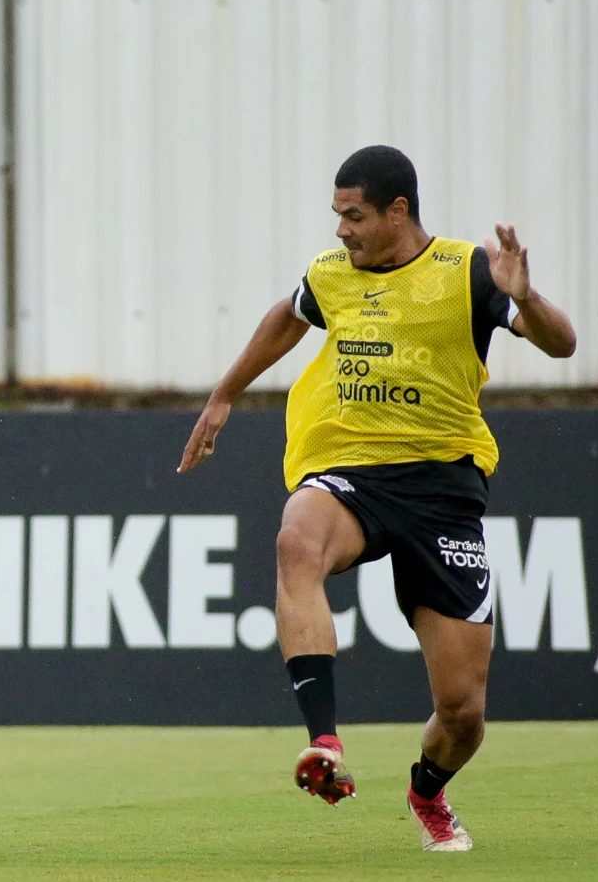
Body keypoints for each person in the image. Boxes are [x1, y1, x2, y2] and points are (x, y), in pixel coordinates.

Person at [178, 145, 575, 852]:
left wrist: (525, 296)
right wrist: (223, 395)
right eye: (336, 216)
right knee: (295, 539)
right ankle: (324, 743)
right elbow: (286, 315)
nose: (341, 231)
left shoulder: (467, 272)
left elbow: (563, 344)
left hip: (443, 489)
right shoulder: (334, 276)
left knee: (463, 712)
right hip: (352, 470)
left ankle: (427, 790)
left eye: (353, 215)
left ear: (398, 212)